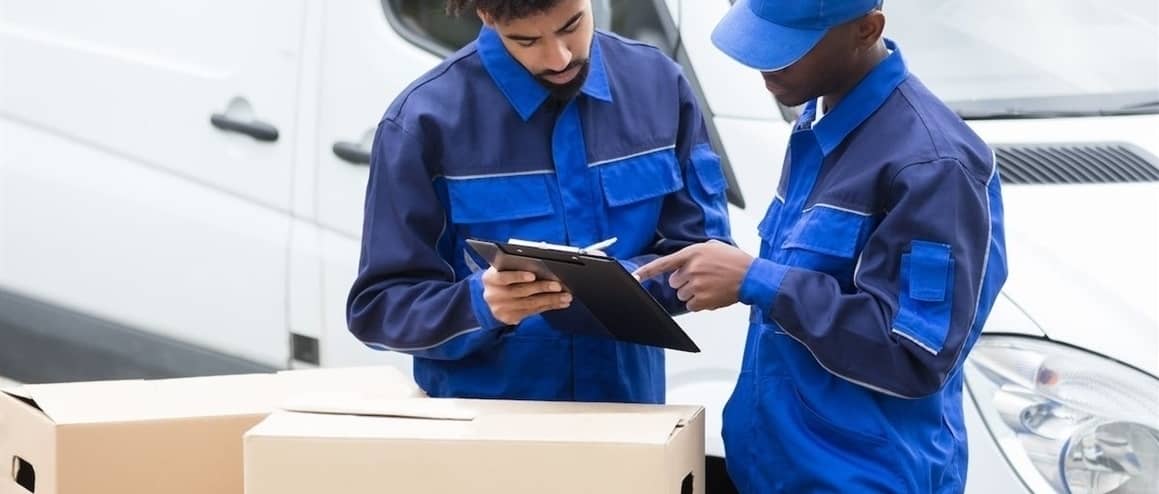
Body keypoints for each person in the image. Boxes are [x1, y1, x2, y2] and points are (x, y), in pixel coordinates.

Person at [632, 0, 1008, 491]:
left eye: (788, 49)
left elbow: (912, 356)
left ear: (866, 29)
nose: (765, 66)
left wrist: (755, 279)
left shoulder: (933, 165)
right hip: (777, 468)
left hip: (862, 478)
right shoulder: (817, 122)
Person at [347, 0, 732, 404]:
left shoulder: (659, 86)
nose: (559, 57)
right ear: (487, 16)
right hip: (485, 437)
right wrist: (481, 305)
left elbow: (704, 251)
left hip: (628, 423)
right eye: (527, 40)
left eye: (572, 26)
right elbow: (378, 309)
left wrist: (625, 285)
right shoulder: (423, 122)